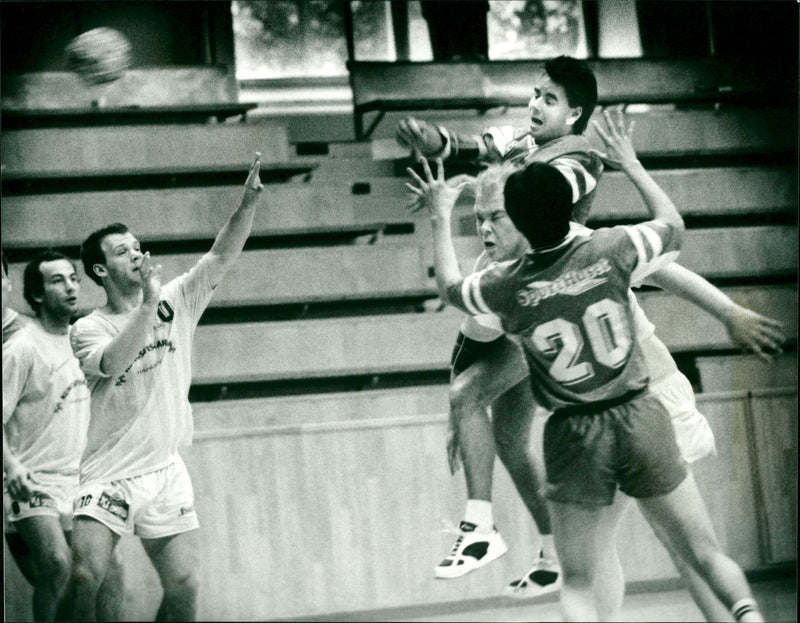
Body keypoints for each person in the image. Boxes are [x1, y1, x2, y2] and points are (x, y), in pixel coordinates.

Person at [407, 114, 765, 622]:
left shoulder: (510, 285)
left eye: (495, 216)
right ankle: (743, 612)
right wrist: (464, 413)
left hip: (639, 403)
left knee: (628, 560)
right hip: (634, 411)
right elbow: (670, 243)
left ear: (522, 215)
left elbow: (455, 306)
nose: (484, 227)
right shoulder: (593, 250)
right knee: (678, 550)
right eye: (478, 217)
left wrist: (729, 312)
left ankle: (508, 534)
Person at [401, 55, 604, 584]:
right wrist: (439, 143)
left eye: (550, 98)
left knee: (467, 396)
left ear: (576, 112)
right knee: (510, 439)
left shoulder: (580, 157)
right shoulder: (525, 145)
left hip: (541, 301)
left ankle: (479, 527)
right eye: (535, 94)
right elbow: (474, 150)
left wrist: (489, 168)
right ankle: (555, 553)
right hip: (509, 298)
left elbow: (538, 191)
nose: (536, 104)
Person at [57, 153, 265, 621]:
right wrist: (148, 304)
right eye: (122, 251)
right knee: (86, 574)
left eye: (137, 246)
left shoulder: (177, 298)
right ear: (99, 271)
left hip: (165, 469)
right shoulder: (88, 327)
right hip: (108, 471)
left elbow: (221, 253)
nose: (136, 253)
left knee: (186, 586)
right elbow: (113, 364)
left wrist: (247, 203)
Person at [3, 251, 124, 622]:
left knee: (110, 574)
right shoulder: (21, 347)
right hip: (32, 483)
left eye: (73, 277)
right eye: (58, 280)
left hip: (82, 482)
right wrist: (12, 466)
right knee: (57, 564)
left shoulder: (86, 340)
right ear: (37, 294)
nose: (70, 286)